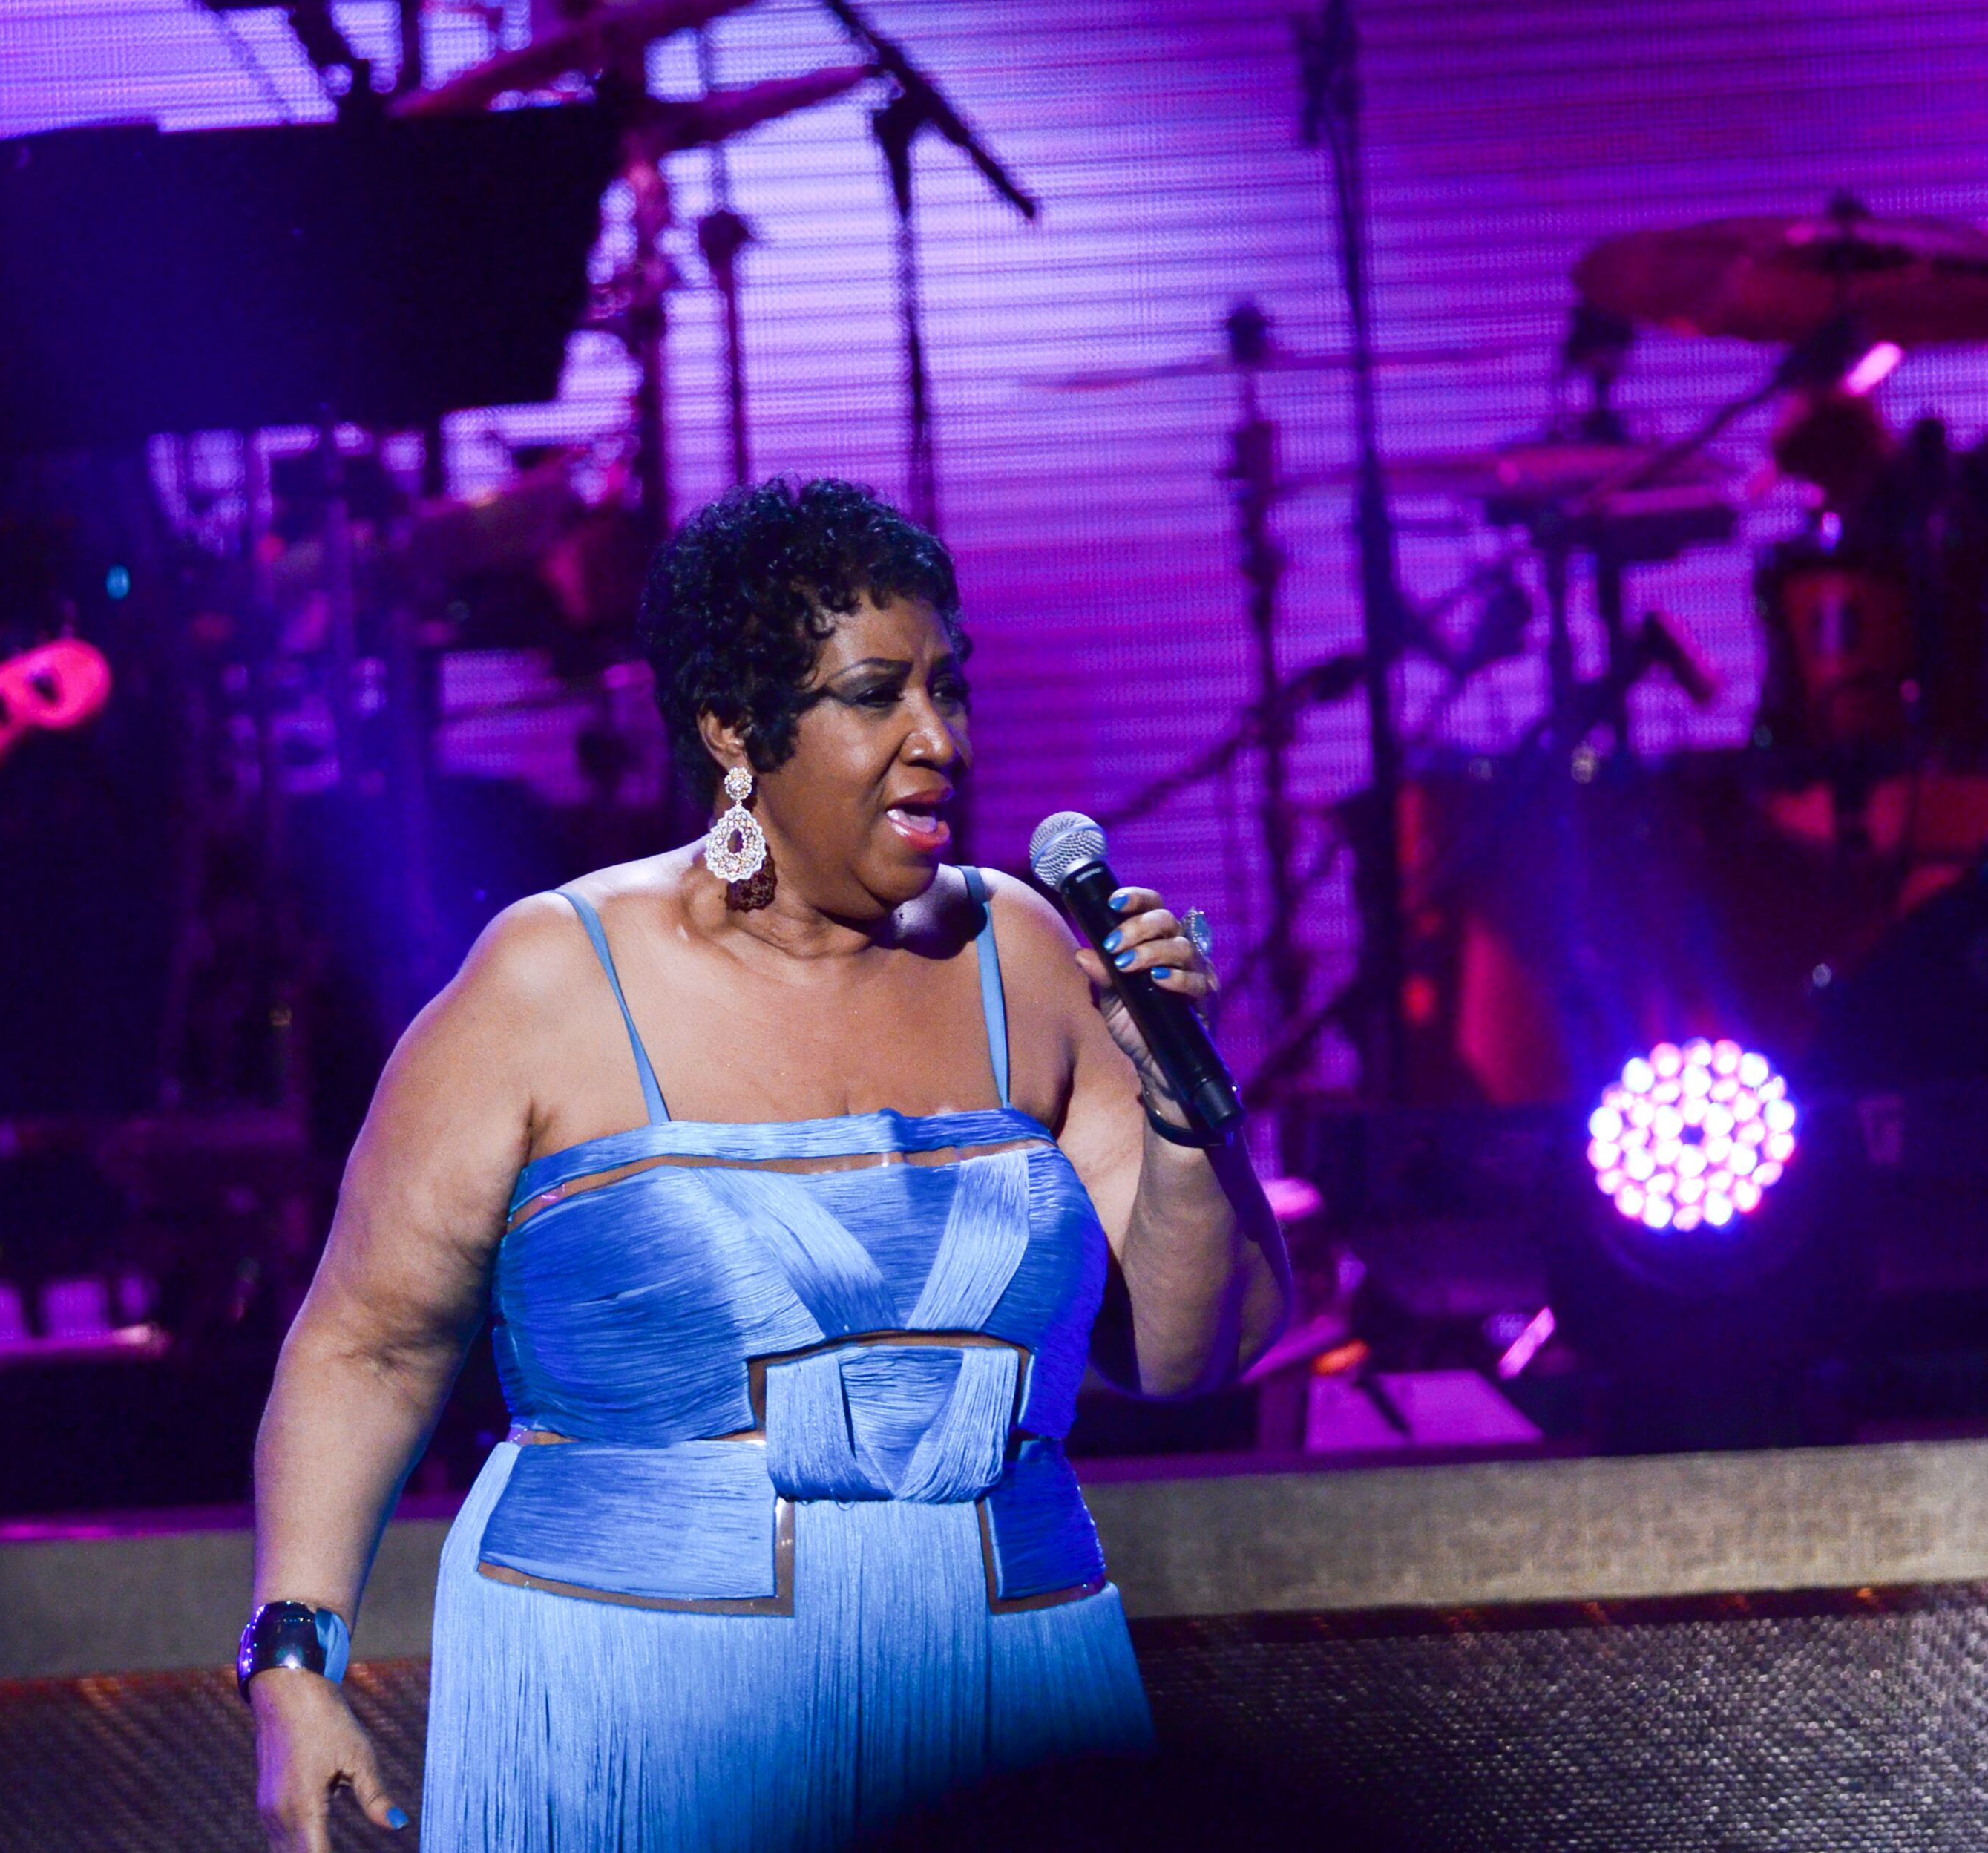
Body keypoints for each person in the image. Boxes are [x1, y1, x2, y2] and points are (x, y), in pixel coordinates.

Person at [246, 478, 1290, 1851]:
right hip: (639, 1705)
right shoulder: (551, 982)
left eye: (949, 686)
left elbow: (1192, 1353)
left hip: (1000, 1695)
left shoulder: (1022, 957)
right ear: (735, 730)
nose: (942, 740)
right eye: (878, 696)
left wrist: (1180, 1122)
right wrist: (294, 1665)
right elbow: (365, 1350)